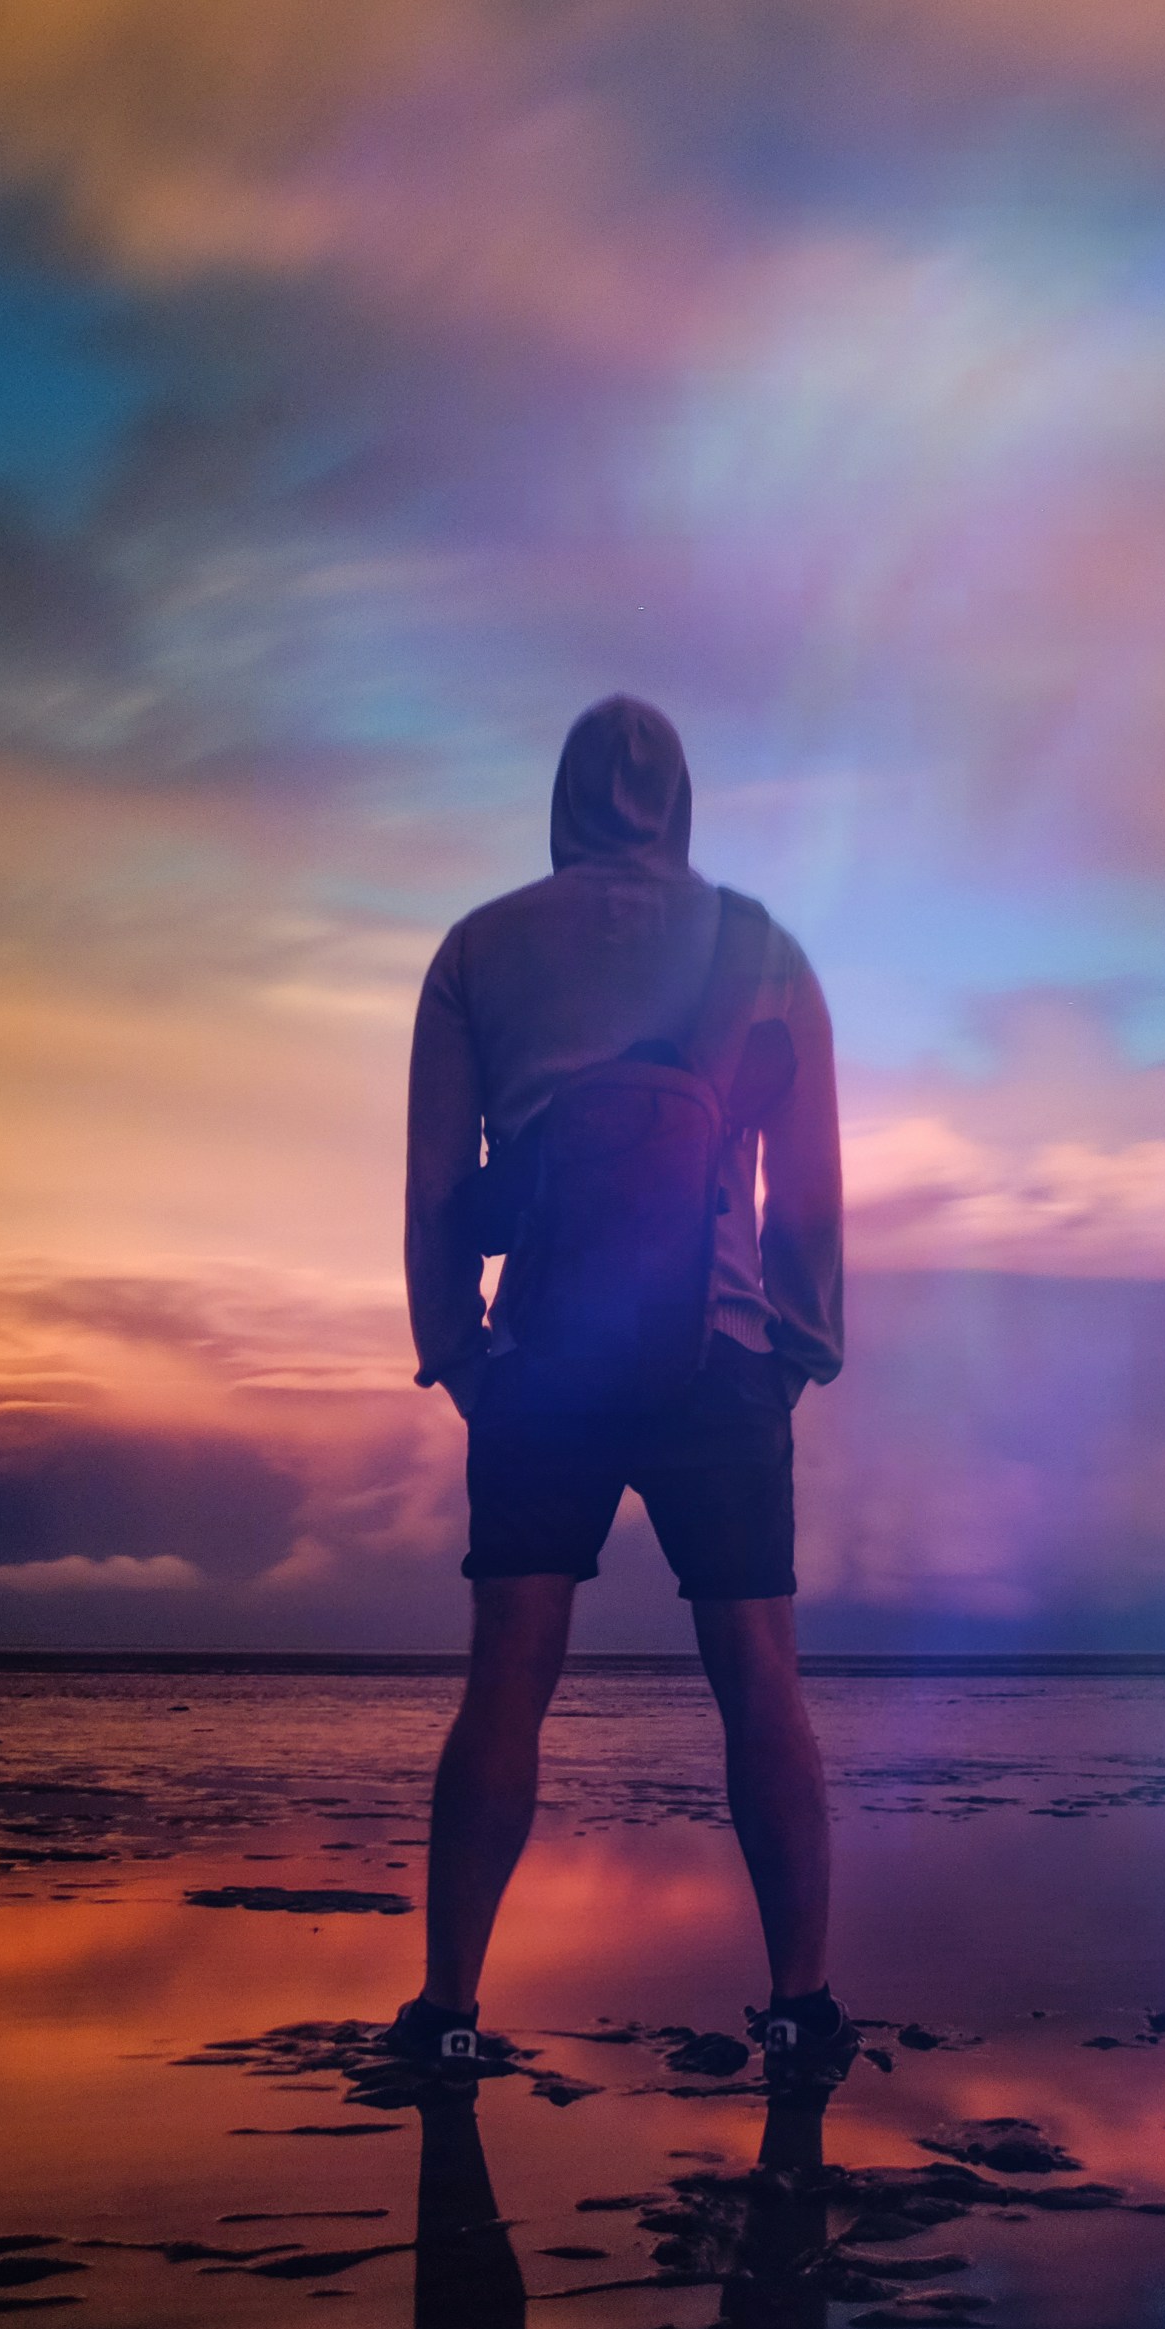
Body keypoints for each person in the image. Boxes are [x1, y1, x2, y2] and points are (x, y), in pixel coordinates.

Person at [382, 694, 851, 2097]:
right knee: (758, 1680)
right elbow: (809, 1181)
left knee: (507, 1684)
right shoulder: (762, 947)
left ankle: (451, 2009)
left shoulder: (479, 947)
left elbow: (436, 1185)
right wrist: (800, 1344)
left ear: (563, 797)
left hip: (543, 1359)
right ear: (687, 800)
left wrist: (456, 1347)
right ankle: (798, 2007)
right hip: (717, 1354)